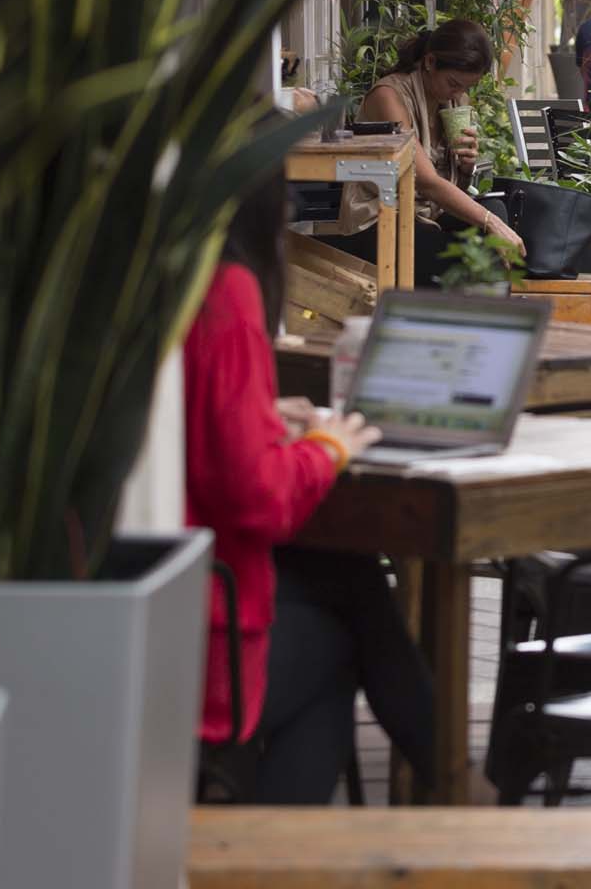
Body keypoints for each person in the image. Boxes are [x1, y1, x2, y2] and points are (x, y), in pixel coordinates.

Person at [184, 151, 437, 801]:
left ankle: (457, 788)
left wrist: (262, 414)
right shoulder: (227, 288)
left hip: (177, 586)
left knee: (350, 581)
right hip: (197, 630)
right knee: (341, 645)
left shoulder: (168, 275)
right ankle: (458, 791)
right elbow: (259, 499)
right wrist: (329, 445)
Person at [334, 19, 523, 284]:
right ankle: (479, 317)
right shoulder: (389, 96)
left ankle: (479, 315)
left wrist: (466, 167)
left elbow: (447, 186)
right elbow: (424, 181)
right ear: (430, 62)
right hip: (381, 220)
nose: (457, 93)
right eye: (454, 83)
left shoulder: (452, 101)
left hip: (426, 216)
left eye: (466, 87)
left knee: (495, 213)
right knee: (477, 249)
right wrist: (490, 222)